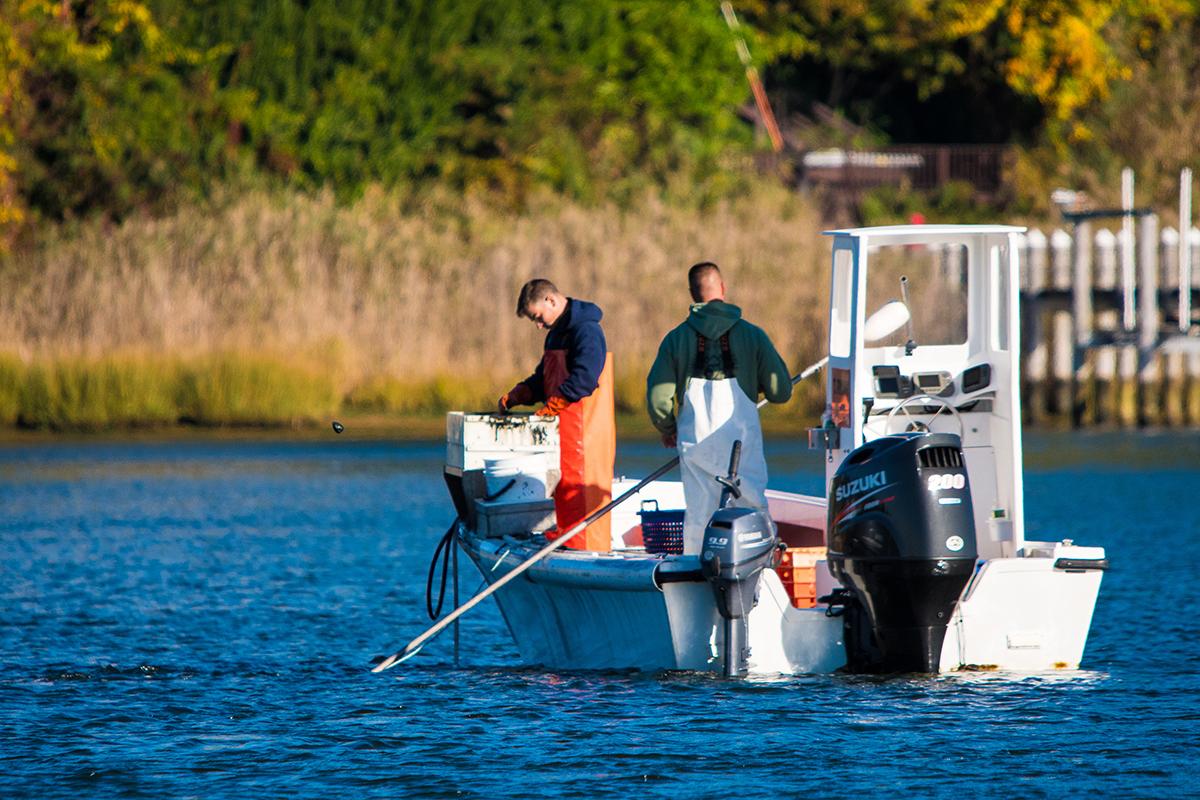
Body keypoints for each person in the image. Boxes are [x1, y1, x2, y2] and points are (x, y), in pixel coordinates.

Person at [645, 262, 792, 554]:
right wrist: (756, 382)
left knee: (700, 515)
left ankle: (696, 578)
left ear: (692, 294)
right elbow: (781, 392)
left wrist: (667, 428)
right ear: (722, 289)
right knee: (751, 508)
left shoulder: (676, 339)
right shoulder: (753, 335)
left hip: (695, 445)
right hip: (742, 446)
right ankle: (759, 570)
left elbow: (657, 398)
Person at [499, 279, 615, 551]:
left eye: (538, 317)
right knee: (564, 486)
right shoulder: (556, 334)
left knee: (581, 488)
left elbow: (585, 378)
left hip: (586, 433)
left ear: (551, 301)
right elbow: (543, 378)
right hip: (563, 433)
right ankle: (568, 540)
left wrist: (552, 406)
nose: (538, 325)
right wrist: (519, 395)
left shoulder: (586, 331)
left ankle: (586, 547)